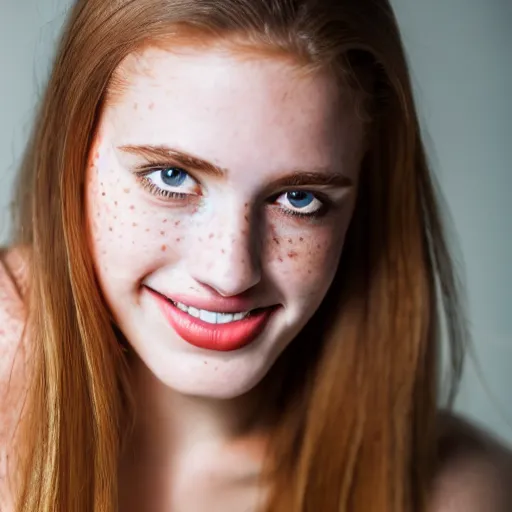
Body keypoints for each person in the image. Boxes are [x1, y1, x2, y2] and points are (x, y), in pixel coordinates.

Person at [0, 0, 510, 510]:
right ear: (73, 158)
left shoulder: (454, 495)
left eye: (299, 199)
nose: (229, 273)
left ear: (361, 205)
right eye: (170, 177)